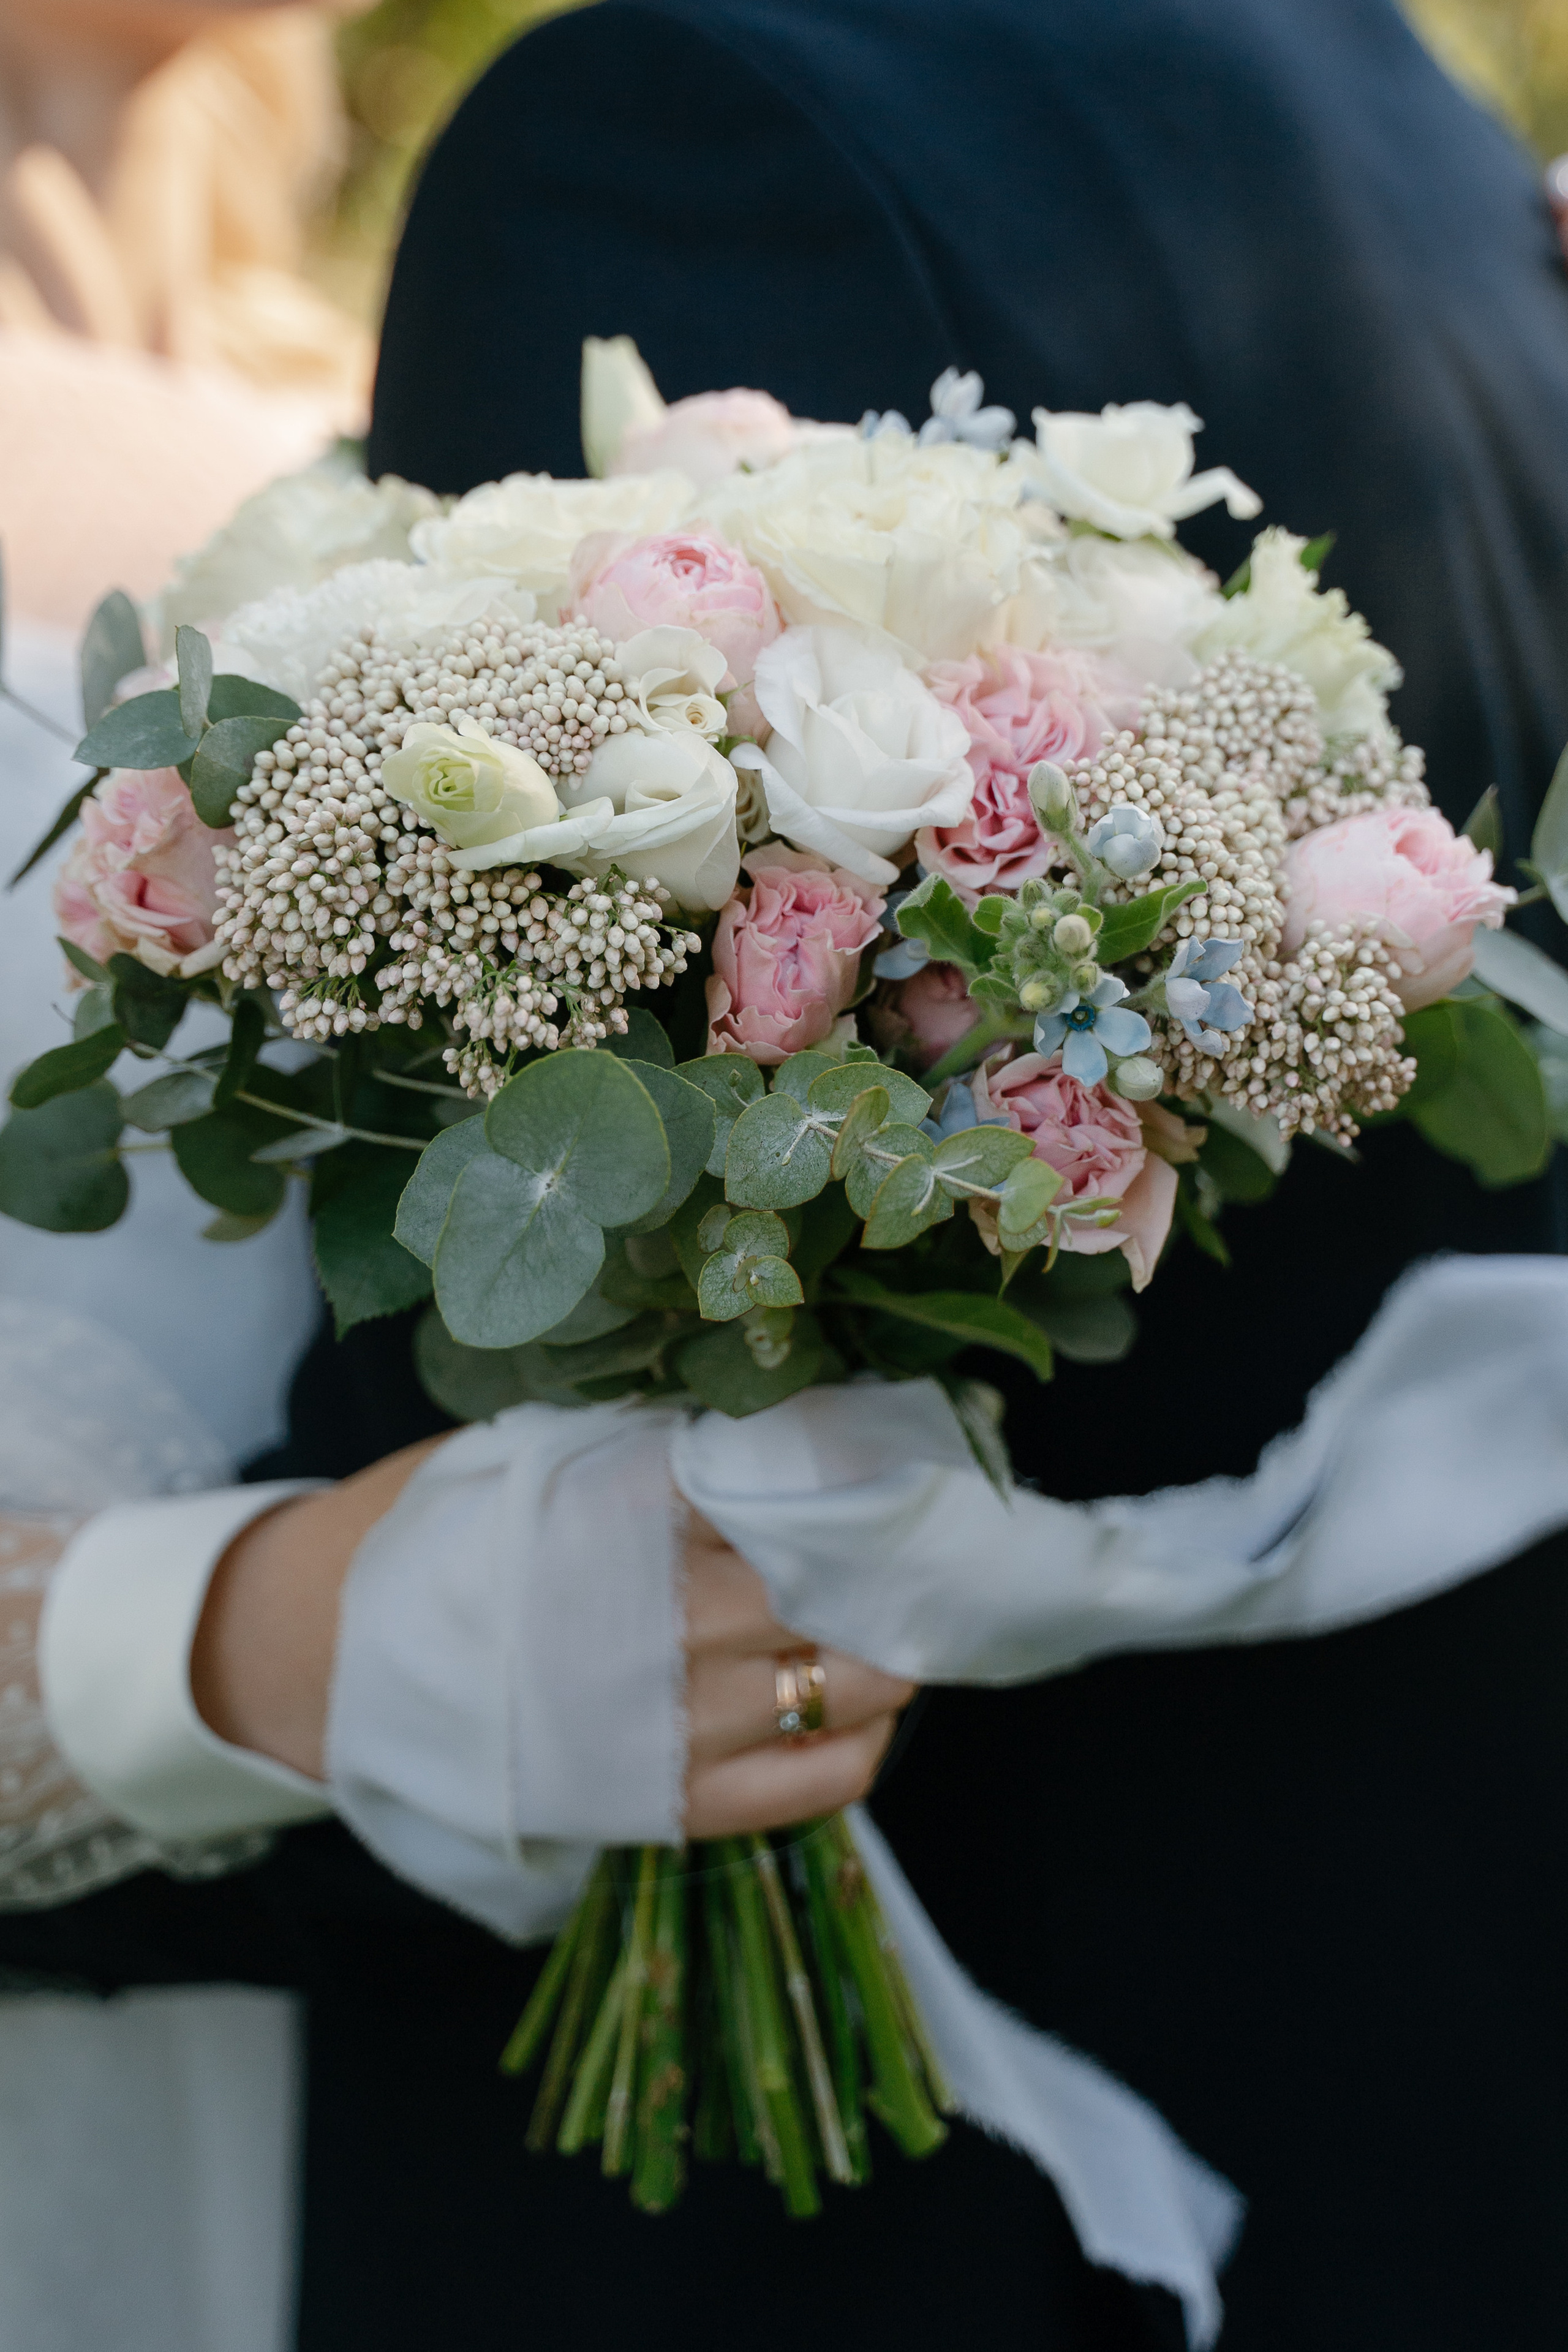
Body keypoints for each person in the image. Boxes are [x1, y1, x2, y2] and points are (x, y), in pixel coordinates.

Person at [6, 3, 1568, 2348]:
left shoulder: (694, 130)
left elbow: (558, 1542)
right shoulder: (1355, 71)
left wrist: (249, 1661)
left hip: (878, 2189)